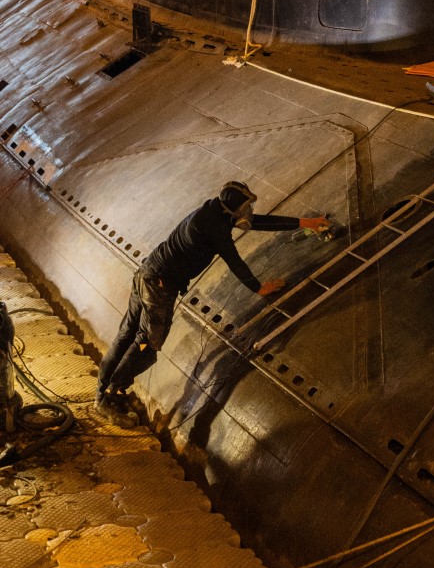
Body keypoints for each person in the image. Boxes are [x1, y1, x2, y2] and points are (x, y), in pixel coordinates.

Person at [95, 181, 330, 422]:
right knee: (147, 343)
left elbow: (259, 222)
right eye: (247, 207)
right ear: (234, 209)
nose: (249, 212)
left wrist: (305, 222)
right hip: (159, 286)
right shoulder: (213, 226)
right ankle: (113, 396)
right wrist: (258, 288)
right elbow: (234, 260)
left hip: (147, 273)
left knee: (126, 335)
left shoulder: (215, 211)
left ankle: (102, 392)